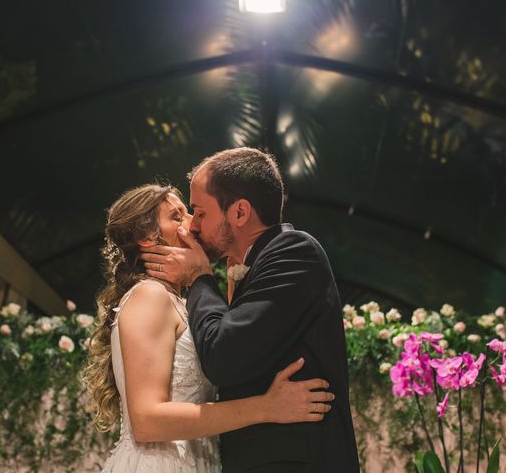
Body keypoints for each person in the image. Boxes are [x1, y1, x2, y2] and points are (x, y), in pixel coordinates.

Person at [82, 184, 334, 473]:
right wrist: (266, 407)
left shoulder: (182, 304)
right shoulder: (149, 295)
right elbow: (147, 421)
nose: (192, 223)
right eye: (177, 217)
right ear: (146, 238)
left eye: (190, 212)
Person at [140, 148, 361, 472]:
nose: (194, 227)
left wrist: (199, 276)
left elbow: (223, 357)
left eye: (200, 213)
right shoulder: (256, 265)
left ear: (240, 212)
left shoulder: (293, 252)